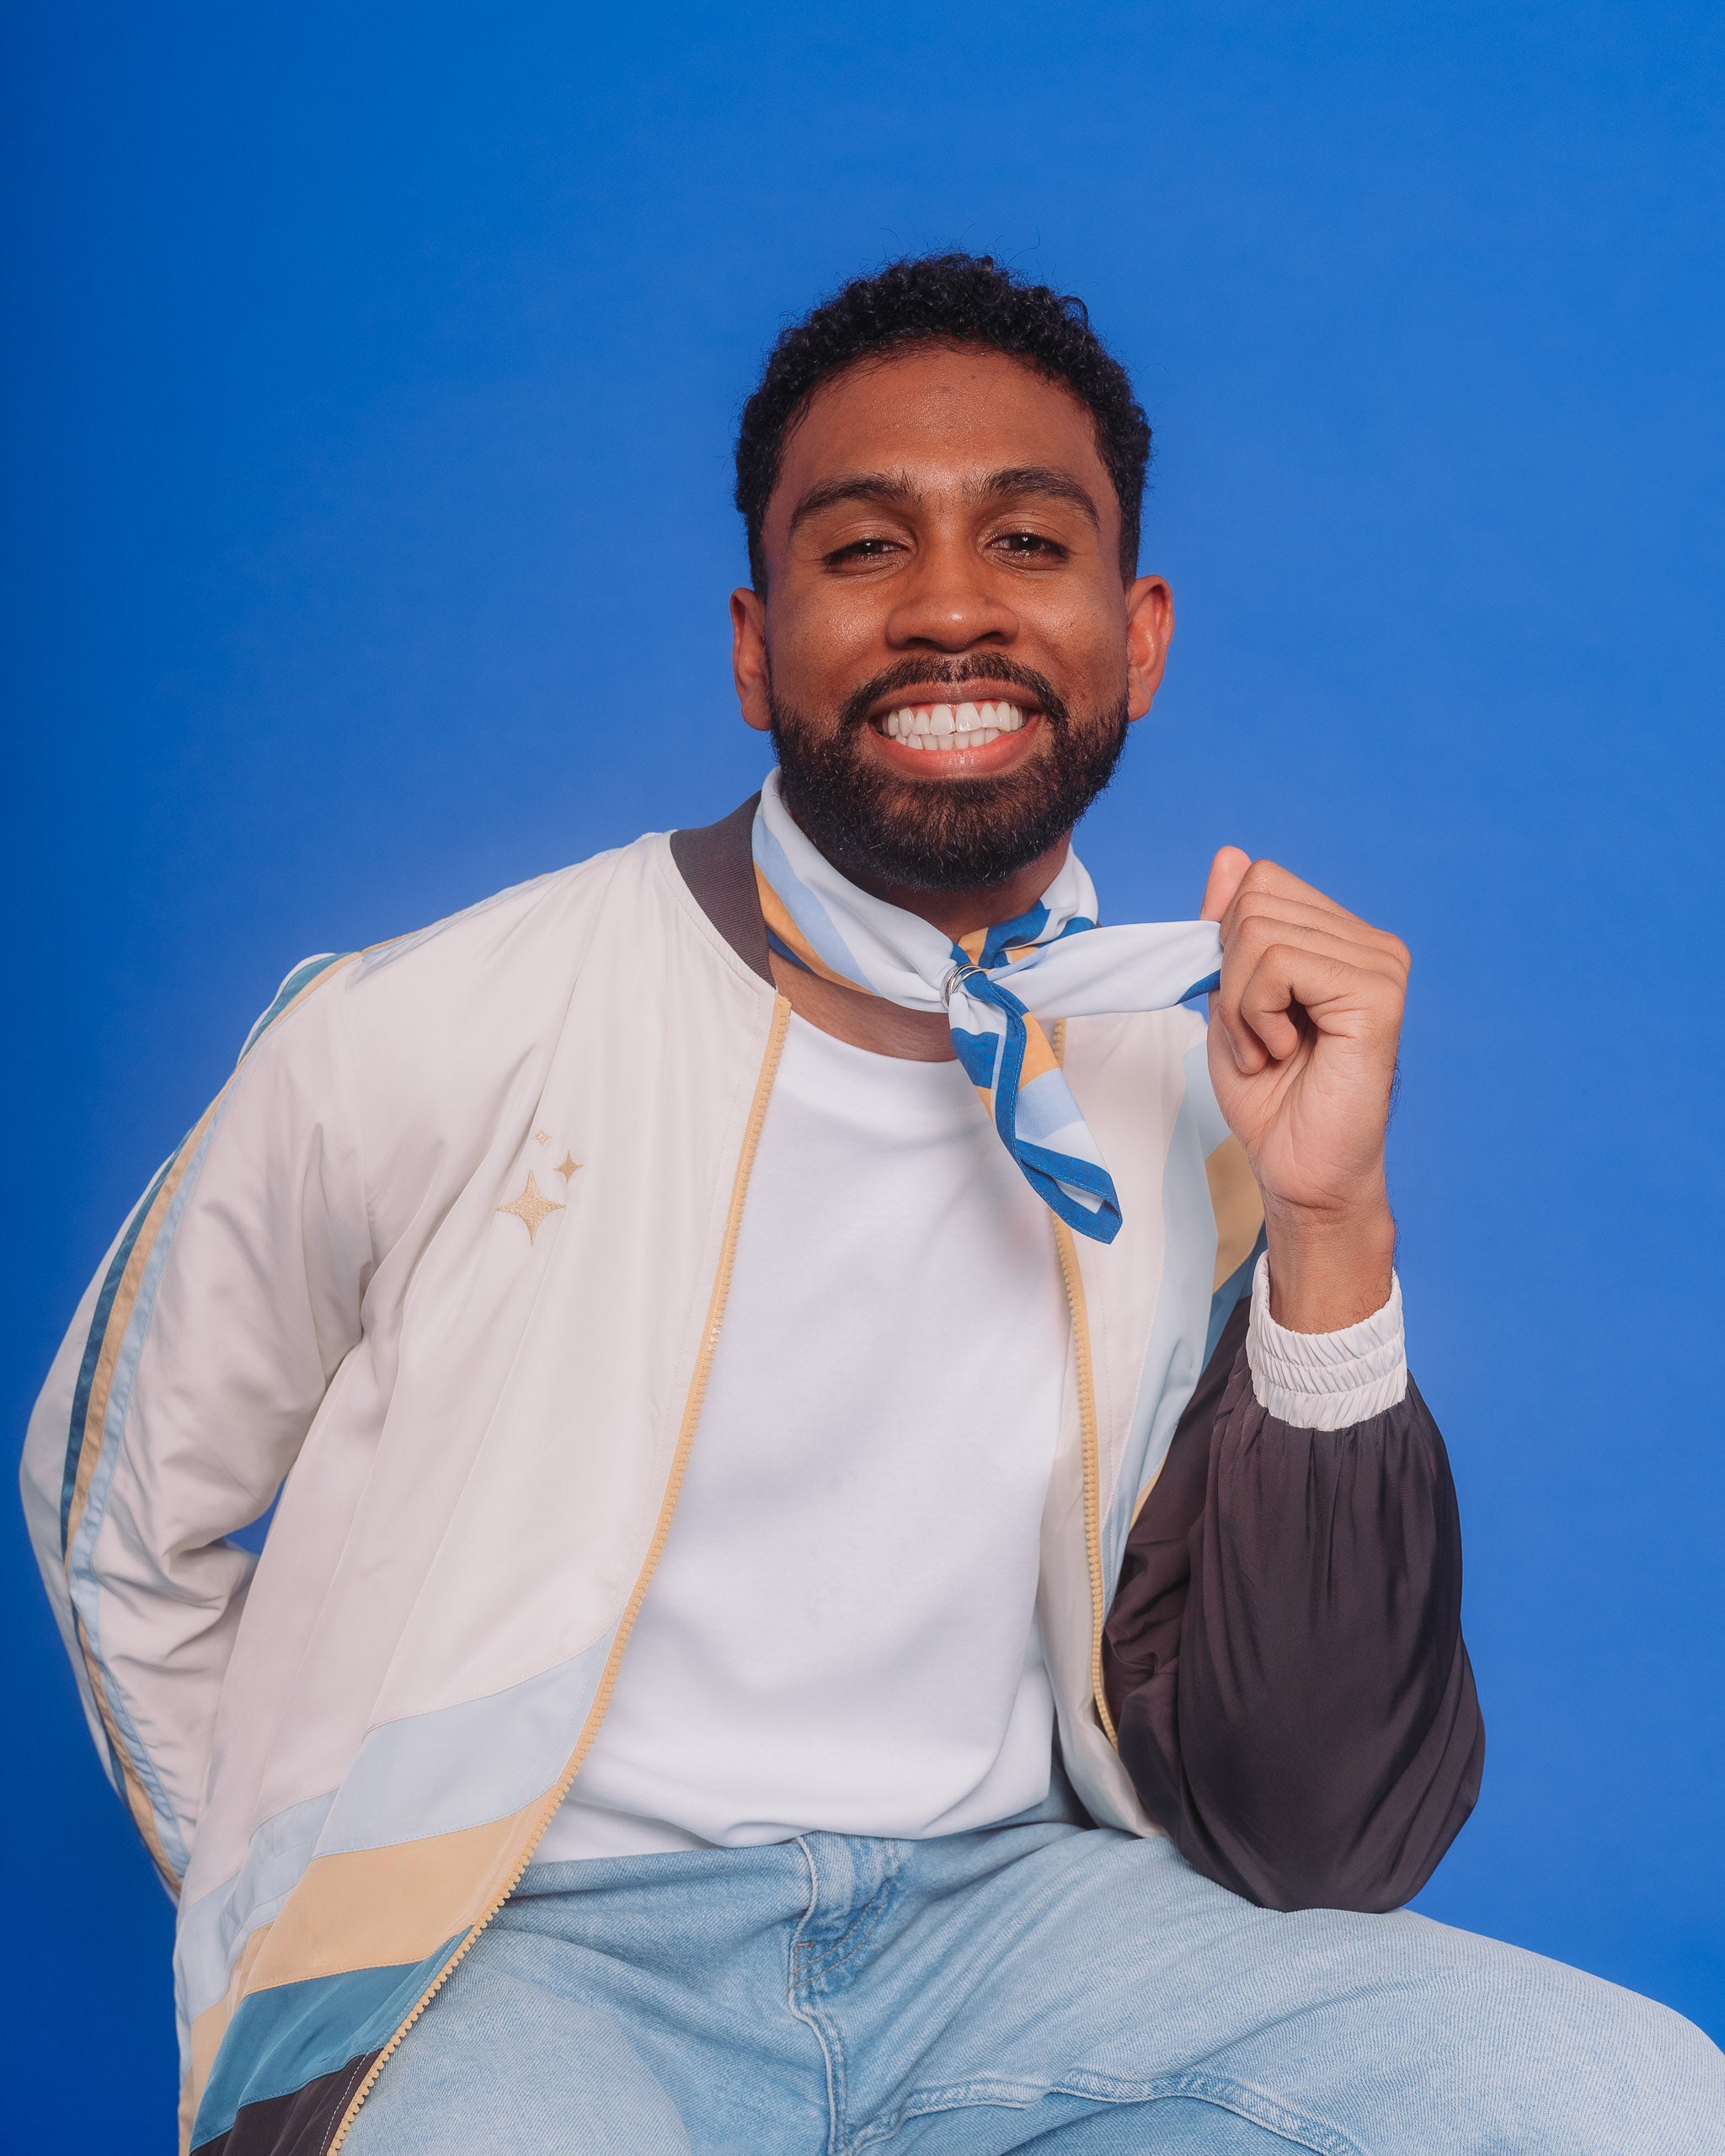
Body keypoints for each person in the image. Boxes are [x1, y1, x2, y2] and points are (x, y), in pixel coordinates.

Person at [23, 253, 1722, 2156]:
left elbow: (1321, 1818)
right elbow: (120, 1518)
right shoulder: (429, 1025)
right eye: (860, 551)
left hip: (1016, 1923)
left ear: (1135, 633)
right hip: (531, 1952)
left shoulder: (1202, 1089)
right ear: (753, 644)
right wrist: (293, 1903)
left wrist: (1333, 1219)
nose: (946, 611)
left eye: (1024, 539)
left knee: (1639, 2103)